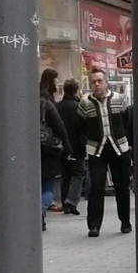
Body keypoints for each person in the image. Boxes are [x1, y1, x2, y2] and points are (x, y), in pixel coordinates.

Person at [78, 67, 133, 237]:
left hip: (119, 149)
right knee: (96, 188)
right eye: (93, 81)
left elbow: (127, 123)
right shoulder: (85, 103)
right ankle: (94, 225)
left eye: (100, 81)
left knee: (122, 187)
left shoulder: (120, 99)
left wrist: (127, 144)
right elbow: (81, 128)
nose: (97, 84)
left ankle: (125, 221)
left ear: (106, 82)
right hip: (96, 151)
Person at [39, 95, 70, 231]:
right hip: (47, 153)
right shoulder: (47, 105)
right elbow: (61, 128)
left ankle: (36, 216)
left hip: (26, 154)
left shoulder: (20, 105)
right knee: (47, 186)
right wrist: (67, 149)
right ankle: (40, 212)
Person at [56, 78, 85, 215]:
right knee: (78, 174)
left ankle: (65, 202)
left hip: (61, 147)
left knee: (65, 175)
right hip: (76, 147)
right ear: (76, 90)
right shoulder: (78, 107)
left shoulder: (57, 106)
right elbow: (82, 128)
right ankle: (71, 201)